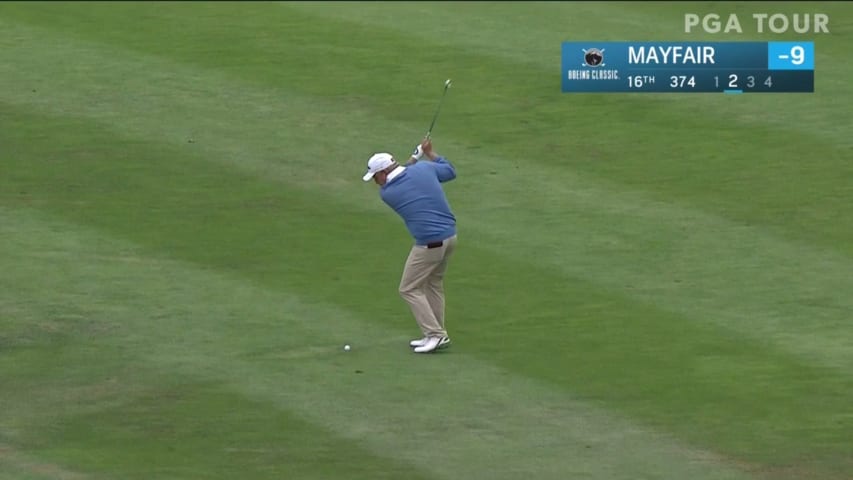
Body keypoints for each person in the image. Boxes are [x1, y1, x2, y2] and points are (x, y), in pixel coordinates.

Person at [362, 138, 458, 353]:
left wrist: (414, 157)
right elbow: (449, 171)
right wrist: (429, 154)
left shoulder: (388, 193)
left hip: (430, 244)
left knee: (408, 288)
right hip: (450, 237)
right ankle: (435, 333)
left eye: (376, 177)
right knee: (433, 283)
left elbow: (403, 176)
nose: (376, 182)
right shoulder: (425, 169)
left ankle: (435, 334)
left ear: (383, 173)